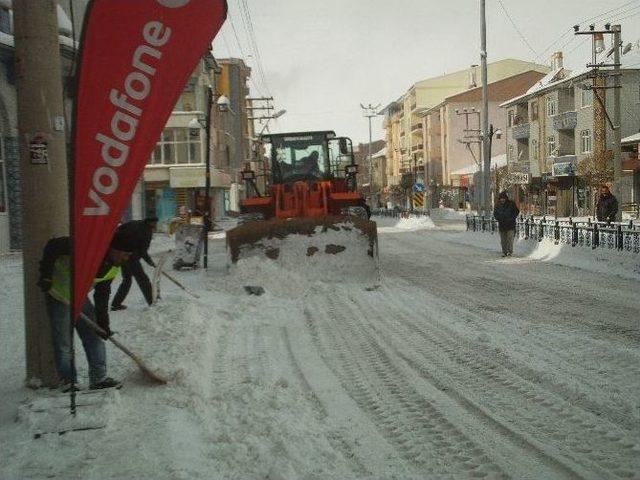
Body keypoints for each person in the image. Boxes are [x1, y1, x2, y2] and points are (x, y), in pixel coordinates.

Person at [38, 233, 133, 391]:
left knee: (94, 336)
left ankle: (99, 378)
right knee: (63, 342)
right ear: (115, 250)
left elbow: (102, 295)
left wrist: (103, 324)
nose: (127, 259)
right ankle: (69, 382)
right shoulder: (87, 246)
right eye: (125, 254)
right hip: (59, 294)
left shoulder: (113, 267)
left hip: (79, 297)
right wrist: (46, 275)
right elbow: (53, 245)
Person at [111, 217, 158, 310]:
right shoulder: (146, 231)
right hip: (130, 256)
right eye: (155, 224)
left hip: (119, 254)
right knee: (143, 280)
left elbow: (118, 230)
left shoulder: (133, 223)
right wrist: (150, 262)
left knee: (127, 280)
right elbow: (143, 251)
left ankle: (116, 303)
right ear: (152, 223)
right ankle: (152, 302)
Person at [493, 191, 520, 257]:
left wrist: (512, 218)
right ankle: (504, 252)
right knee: (503, 240)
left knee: (510, 239)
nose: (502, 199)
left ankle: (510, 252)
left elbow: (516, 211)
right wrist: (498, 218)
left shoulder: (511, 204)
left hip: (510, 225)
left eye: (503, 198)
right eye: (501, 198)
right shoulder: (498, 205)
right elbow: (495, 213)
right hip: (502, 225)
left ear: (506, 198)